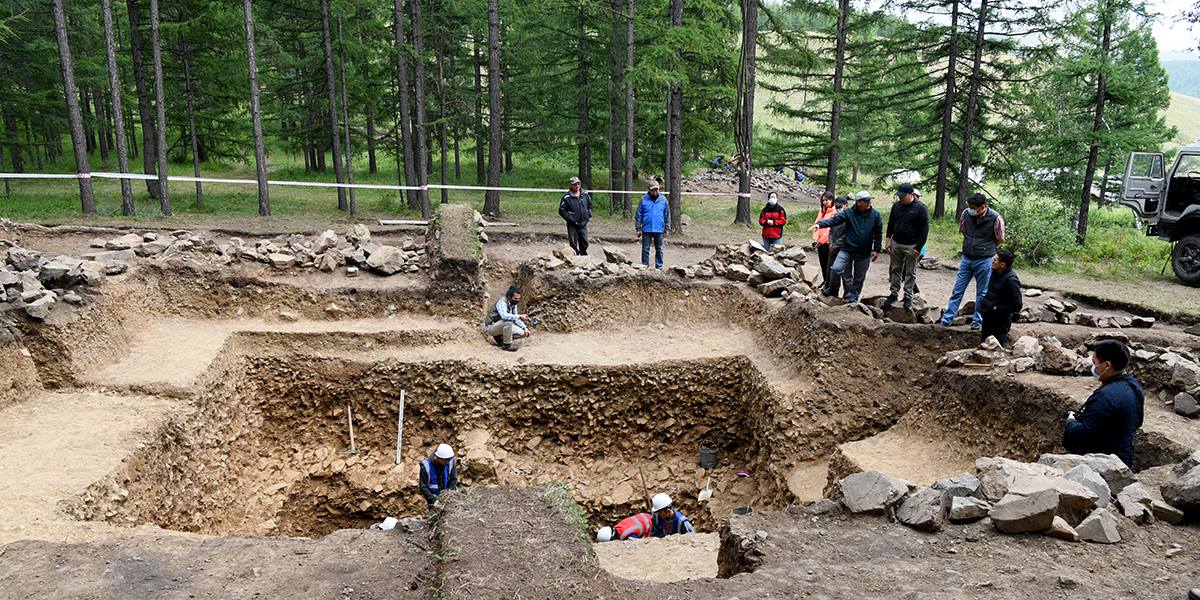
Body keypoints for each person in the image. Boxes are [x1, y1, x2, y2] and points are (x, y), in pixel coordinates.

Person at [1063, 340, 1145, 468]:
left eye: (1094, 363)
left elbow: (1082, 433)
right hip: (1122, 458)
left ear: (1107, 365)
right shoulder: (1134, 386)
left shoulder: (1105, 397)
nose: (1093, 367)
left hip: (1101, 464)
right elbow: (1138, 421)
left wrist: (1070, 422)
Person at [940, 193, 1006, 330]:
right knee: (958, 290)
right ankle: (947, 319)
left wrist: (986, 249)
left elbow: (999, 239)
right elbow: (963, 230)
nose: (970, 209)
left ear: (983, 207)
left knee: (982, 292)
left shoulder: (995, 218)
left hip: (985, 260)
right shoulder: (966, 214)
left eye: (973, 207)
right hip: (967, 258)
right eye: (969, 207)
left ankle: (977, 321)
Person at [810, 191, 882, 304]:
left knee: (859, 277)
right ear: (858, 202)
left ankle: (852, 296)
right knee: (836, 268)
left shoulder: (875, 215)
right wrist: (820, 224)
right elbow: (835, 220)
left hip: (864, 252)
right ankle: (833, 289)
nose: (869, 203)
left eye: (869, 200)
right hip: (847, 249)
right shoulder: (849, 213)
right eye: (866, 201)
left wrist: (876, 249)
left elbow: (878, 233)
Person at [884, 183, 929, 311]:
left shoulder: (921, 208)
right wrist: (888, 240)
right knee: (895, 269)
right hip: (896, 242)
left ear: (911, 194)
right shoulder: (896, 206)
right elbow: (891, 223)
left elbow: (924, 230)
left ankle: (908, 296)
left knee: (910, 272)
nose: (900, 198)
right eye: (899, 196)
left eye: (903, 196)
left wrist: (918, 247)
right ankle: (893, 293)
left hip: (912, 245)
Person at [978, 249, 1022, 345]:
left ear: (1002, 264)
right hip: (987, 319)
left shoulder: (1011, 280)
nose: (992, 262)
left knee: (995, 351)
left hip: (999, 323)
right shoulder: (994, 273)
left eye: (995, 260)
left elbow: (1017, 305)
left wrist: (996, 308)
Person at [484, 286, 531, 352]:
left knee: (523, 333)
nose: (517, 300)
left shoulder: (513, 304)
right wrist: (520, 316)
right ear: (509, 297)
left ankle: (500, 339)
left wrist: (524, 328)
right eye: (515, 298)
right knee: (508, 321)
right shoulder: (502, 302)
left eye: (519, 299)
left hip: (501, 326)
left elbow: (515, 318)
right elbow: (504, 316)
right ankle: (507, 345)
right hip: (491, 327)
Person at [636, 181, 670, 269]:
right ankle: (644, 266)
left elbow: (667, 215)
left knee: (659, 249)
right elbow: (638, 215)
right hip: (646, 229)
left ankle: (659, 267)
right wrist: (638, 228)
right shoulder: (643, 199)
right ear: (649, 190)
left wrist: (667, 229)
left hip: (659, 229)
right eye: (653, 190)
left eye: (656, 190)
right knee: (645, 249)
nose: (655, 192)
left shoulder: (664, 200)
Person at [558, 176, 593, 256]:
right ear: (571, 185)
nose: (577, 186)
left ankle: (584, 256)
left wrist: (588, 214)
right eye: (574, 184)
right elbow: (561, 210)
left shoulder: (585, 194)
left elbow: (590, 205)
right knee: (573, 242)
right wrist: (570, 218)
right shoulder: (566, 197)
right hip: (572, 224)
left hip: (583, 223)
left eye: (578, 184)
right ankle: (575, 257)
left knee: (585, 241)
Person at [419, 443, 458, 509]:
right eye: (446, 460)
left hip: (447, 500)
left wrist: (449, 495)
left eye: (449, 459)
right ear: (439, 458)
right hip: (433, 501)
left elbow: (453, 479)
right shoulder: (426, 466)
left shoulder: (450, 462)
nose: (448, 462)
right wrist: (433, 500)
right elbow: (423, 486)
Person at [812, 191, 837, 284]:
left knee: (828, 263)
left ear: (831, 200)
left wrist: (822, 241)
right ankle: (825, 280)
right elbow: (816, 224)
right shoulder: (822, 210)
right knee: (822, 262)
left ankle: (829, 282)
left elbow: (830, 229)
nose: (825, 202)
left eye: (827, 200)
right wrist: (815, 239)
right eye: (823, 200)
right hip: (819, 242)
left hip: (827, 242)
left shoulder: (834, 212)